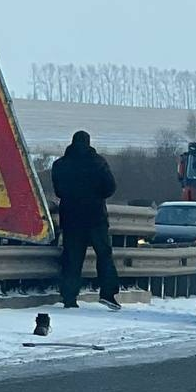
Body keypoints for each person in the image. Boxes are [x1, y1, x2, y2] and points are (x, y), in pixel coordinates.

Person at [51, 131, 122, 310]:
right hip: (95, 216)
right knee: (104, 255)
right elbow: (110, 187)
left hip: (71, 217)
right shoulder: (98, 163)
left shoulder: (61, 164)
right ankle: (107, 294)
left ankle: (69, 296)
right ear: (89, 143)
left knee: (72, 257)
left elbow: (58, 191)